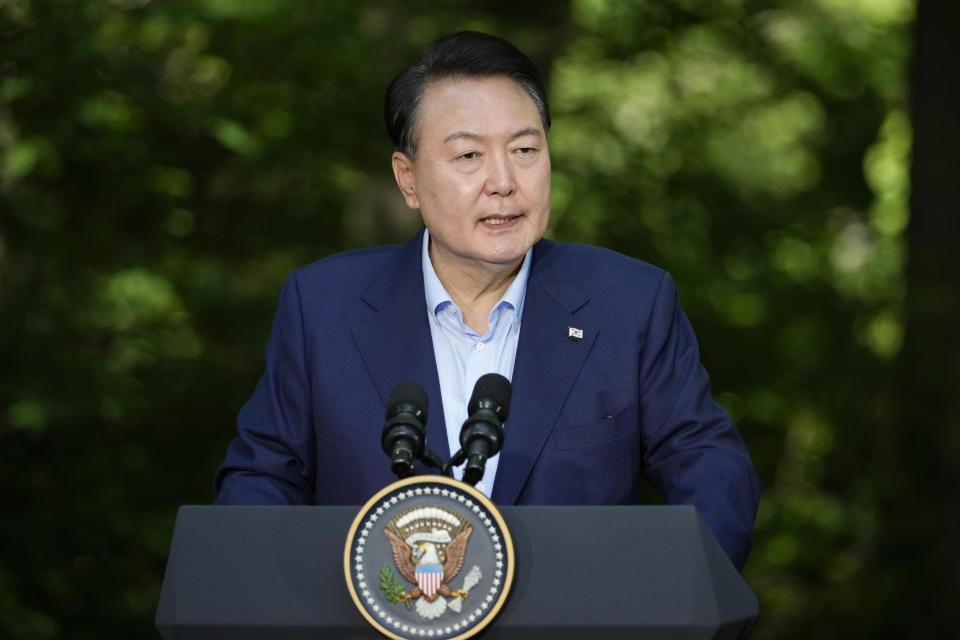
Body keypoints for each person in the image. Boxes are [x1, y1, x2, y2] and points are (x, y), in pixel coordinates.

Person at [214, 31, 761, 570]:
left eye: (525, 150)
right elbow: (262, 479)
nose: (503, 181)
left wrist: (669, 598)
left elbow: (710, 468)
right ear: (408, 180)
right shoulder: (323, 308)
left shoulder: (629, 304)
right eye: (469, 155)